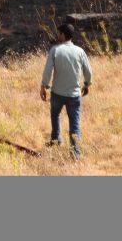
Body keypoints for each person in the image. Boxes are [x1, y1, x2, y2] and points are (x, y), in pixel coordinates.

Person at [41, 23, 94, 158]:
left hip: (57, 93)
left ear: (63, 35)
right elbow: (88, 72)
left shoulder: (55, 50)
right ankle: (75, 153)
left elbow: (48, 71)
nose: (57, 36)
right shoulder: (80, 51)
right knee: (74, 124)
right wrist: (87, 84)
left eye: (58, 33)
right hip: (74, 95)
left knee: (55, 115)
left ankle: (55, 140)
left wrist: (44, 86)